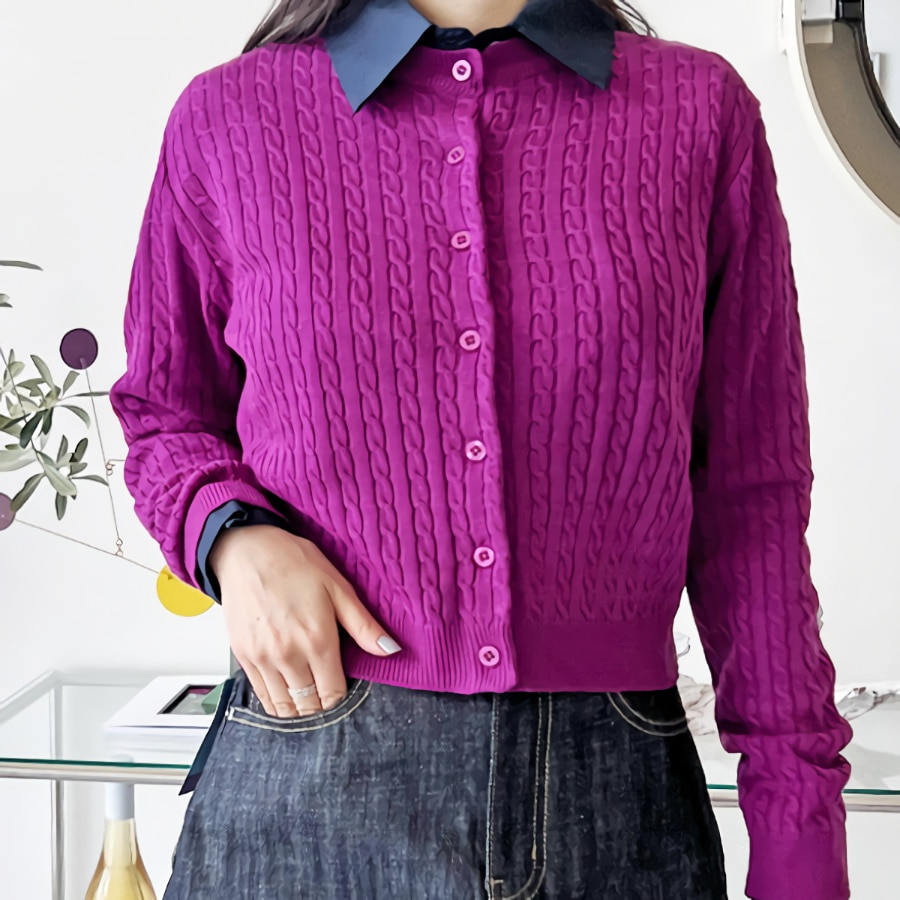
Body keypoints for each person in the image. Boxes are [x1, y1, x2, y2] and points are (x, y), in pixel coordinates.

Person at [108, 0, 854, 897]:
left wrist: (800, 837)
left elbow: (752, 497)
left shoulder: (698, 112)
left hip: (617, 802)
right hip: (307, 790)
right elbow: (163, 412)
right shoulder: (230, 117)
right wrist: (233, 537)